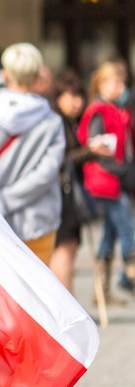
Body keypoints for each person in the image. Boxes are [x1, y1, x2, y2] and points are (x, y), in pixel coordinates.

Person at [0, 43, 65, 266]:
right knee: (34, 295)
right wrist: (10, 200)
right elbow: (46, 173)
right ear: (37, 74)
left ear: (5, 74)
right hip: (37, 221)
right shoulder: (51, 121)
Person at [79, 60, 135, 301]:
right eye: (116, 82)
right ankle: (130, 273)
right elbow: (97, 148)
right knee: (126, 227)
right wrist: (121, 170)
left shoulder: (117, 109)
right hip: (105, 179)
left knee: (111, 233)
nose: (120, 87)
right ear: (102, 84)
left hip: (116, 178)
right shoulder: (98, 111)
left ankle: (102, 291)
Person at [50, 71, 96, 291]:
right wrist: (90, 152)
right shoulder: (56, 123)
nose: (77, 102)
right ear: (58, 98)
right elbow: (61, 158)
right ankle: (66, 309)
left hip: (65, 192)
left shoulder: (69, 122)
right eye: (70, 96)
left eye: (79, 96)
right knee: (65, 250)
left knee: (68, 249)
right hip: (62, 193)